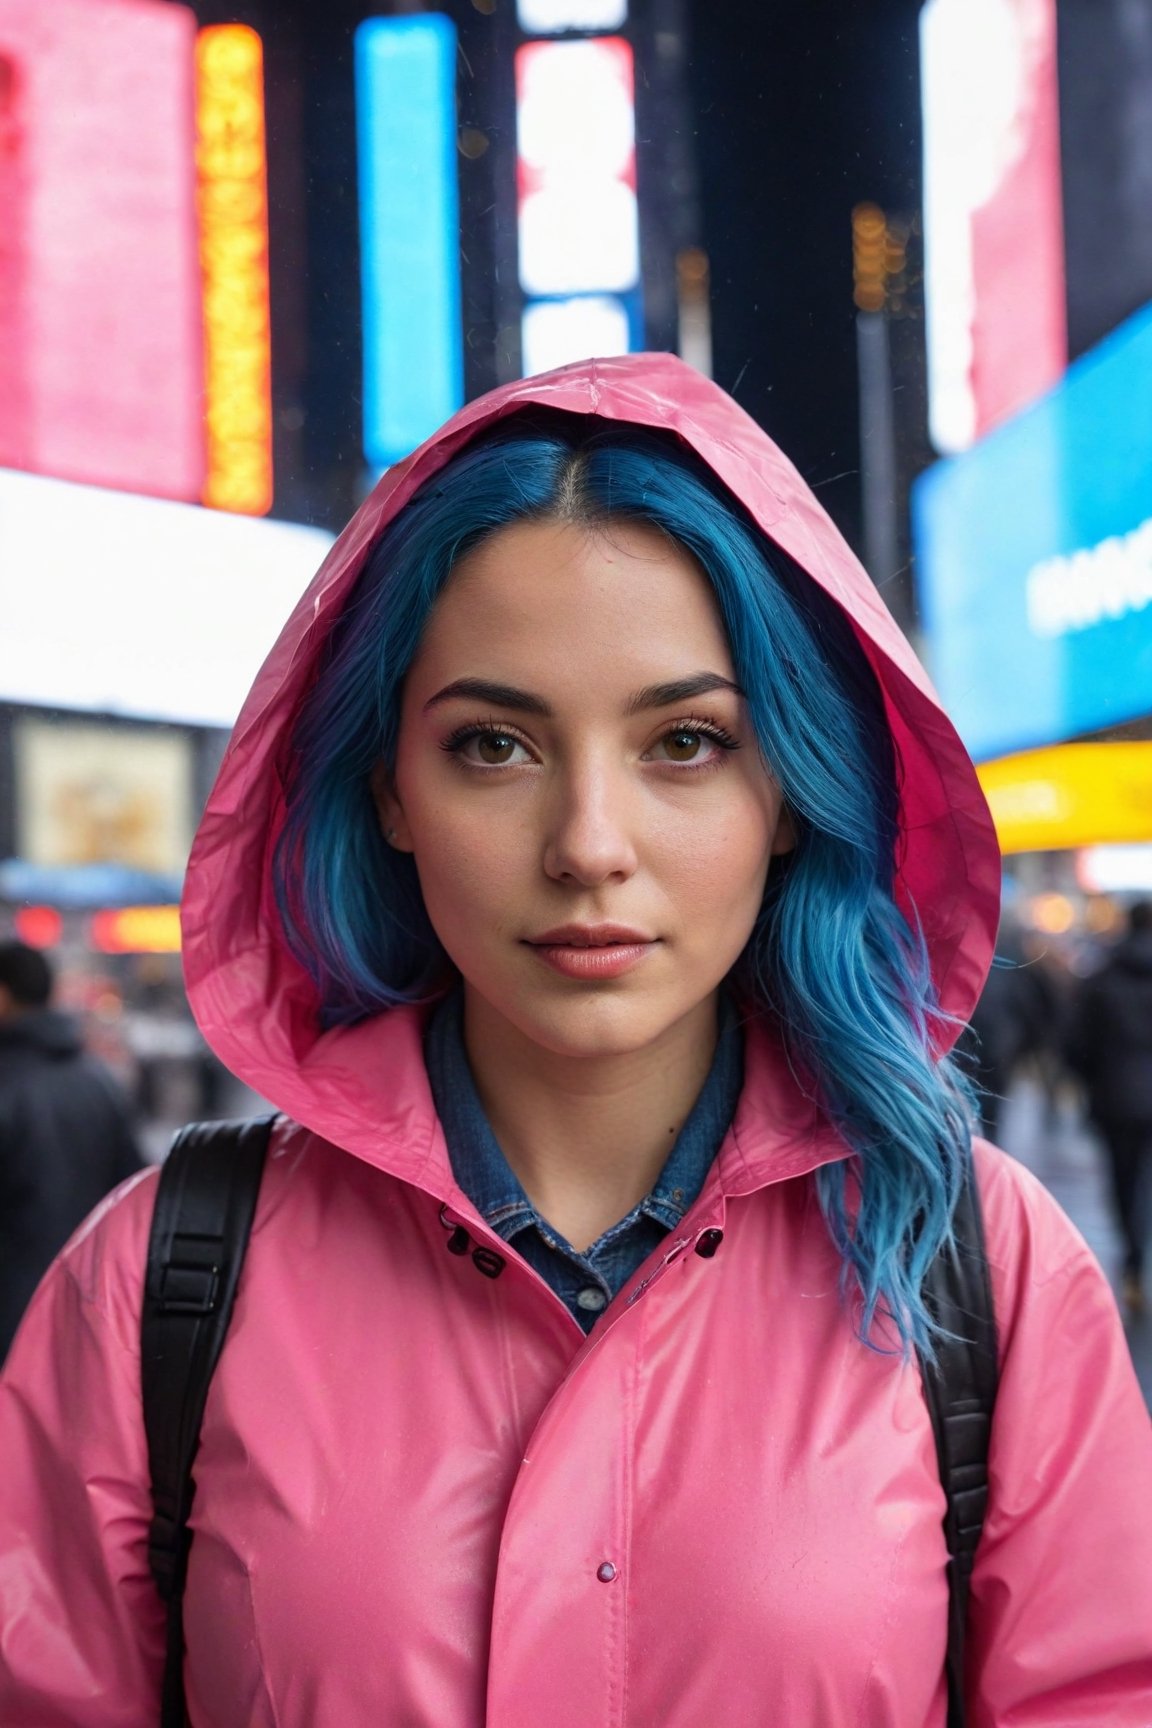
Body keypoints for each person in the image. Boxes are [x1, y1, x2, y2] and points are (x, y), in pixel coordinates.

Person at [1, 356, 1149, 1725]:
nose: (589, 847)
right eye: (495, 745)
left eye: (685, 743)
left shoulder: (986, 1268)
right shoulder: (159, 1278)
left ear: (792, 790)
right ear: (391, 793)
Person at [0, 939, 143, 1359]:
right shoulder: (96, 1078)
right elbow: (132, 1189)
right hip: (88, 1304)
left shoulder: (7, 1082)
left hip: (11, 1309)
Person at [1067, 898, 1152, 1313]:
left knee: (1124, 1179)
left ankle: (1134, 1260)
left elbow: (1076, 1043)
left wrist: (1091, 1082)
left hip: (1117, 1098)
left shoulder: (1101, 979)